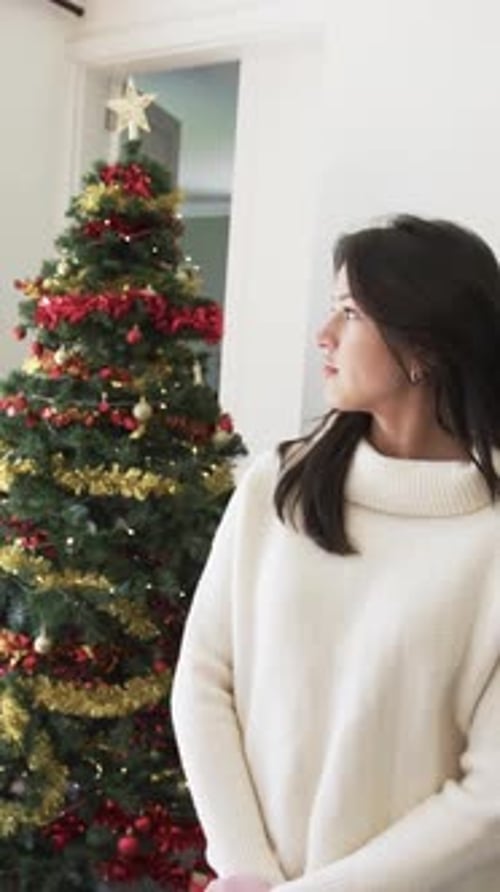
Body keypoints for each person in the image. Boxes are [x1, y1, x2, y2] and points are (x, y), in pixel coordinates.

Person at [171, 215, 500, 892]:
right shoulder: (278, 485)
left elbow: (490, 801)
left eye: (350, 313)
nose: (324, 337)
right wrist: (247, 870)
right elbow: (204, 679)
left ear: (424, 347)